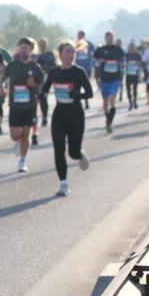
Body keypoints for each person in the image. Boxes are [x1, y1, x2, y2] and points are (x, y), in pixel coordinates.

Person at [40, 40, 93, 196]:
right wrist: (41, 93)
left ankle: (79, 154)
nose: (71, 54)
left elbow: (89, 93)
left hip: (76, 114)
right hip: (59, 115)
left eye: (73, 52)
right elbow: (45, 88)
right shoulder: (54, 72)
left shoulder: (78, 71)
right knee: (58, 149)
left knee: (72, 152)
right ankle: (63, 184)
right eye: (68, 51)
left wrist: (76, 94)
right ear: (60, 54)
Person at [0, 37, 46, 172]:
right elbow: (3, 76)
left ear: (30, 50)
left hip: (30, 105)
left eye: (26, 47)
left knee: (26, 133)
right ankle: (18, 143)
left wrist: (35, 85)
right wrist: (1, 87)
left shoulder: (35, 67)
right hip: (15, 105)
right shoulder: (13, 65)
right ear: (18, 49)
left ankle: (22, 161)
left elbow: (43, 85)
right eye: (21, 47)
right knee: (15, 135)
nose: (23, 50)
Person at [94, 31, 125, 133]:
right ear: (105, 38)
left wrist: (121, 64)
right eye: (108, 37)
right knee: (105, 101)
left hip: (115, 78)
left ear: (113, 38)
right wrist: (100, 61)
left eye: (111, 37)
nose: (109, 39)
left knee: (112, 98)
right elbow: (95, 61)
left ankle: (109, 122)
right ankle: (108, 119)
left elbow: (123, 61)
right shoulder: (101, 50)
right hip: (104, 78)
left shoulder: (118, 49)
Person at [36, 37, 57, 128]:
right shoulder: (36, 55)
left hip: (48, 78)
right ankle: (38, 117)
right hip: (38, 79)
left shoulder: (50, 54)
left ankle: (44, 117)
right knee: (40, 98)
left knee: (44, 96)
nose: (42, 46)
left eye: (44, 44)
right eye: (41, 44)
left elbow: (54, 65)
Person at [75, 31, 95, 109]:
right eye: (78, 36)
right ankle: (79, 101)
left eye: (80, 36)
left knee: (86, 85)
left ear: (83, 36)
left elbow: (94, 54)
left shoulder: (89, 44)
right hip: (77, 68)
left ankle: (86, 102)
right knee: (77, 86)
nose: (79, 37)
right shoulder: (75, 44)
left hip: (87, 68)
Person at [123, 42, 143, 111]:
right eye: (130, 47)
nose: (131, 48)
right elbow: (123, 62)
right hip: (128, 74)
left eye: (133, 47)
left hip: (135, 74)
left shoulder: (137, 55)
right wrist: (125, 65)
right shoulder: (126, 54)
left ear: (134, 48)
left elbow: (141, 63)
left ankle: (135, 101)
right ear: (128, 48)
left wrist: (138, 63)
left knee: (135, 89)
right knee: (128, 89)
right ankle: (130, 103)